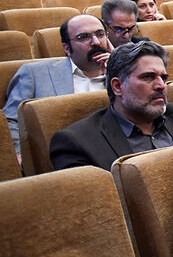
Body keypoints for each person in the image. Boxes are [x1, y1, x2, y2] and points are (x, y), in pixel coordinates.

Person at [49, 41, 173, 170]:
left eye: (163, 77)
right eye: (148, 77)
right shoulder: (77, 142)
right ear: (117, 86)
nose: (161, 86)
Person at [5, 13, 111, 158]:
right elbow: (11, 120)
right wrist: (19, 155)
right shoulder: (35, 74)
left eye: (100, 34)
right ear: (67, 48)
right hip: (60, 155)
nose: (96, 42)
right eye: (84, 37)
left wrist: (118, 69)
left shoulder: (123, 74)